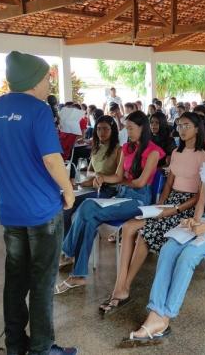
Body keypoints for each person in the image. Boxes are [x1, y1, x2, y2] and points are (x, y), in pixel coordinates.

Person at [120, 125, 205, 347]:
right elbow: (201, 202)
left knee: (189, 254)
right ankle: (155, 311)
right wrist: (195, 220)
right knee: (169, 247)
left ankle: (166, 316)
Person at [0, 51, 77, 355]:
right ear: (36, 79)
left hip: (10, 210)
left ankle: (15, 344)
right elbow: (52, 159)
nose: (49, 84)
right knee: (41, 281)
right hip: (41, 210)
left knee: (15, 280)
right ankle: (42, 348)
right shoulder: (38, 110)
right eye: (48, 78)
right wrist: (68, 190)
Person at [99, 112, 205, 314]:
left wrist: (175, 209)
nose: (182, 130)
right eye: (180, 125)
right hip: (169, 203)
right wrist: (160, 205)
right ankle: (120, 284)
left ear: (197, 128)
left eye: (186, 126)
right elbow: (168, 183)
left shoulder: (204, 157)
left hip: (187, 207)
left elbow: (200, 195)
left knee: (144, 234)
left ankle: (123, 288)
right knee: (128, 226)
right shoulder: (176, 152)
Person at [57, 111, 165, 294]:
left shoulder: (153, 151)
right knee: (89, 218)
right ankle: (78, 275)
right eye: (126, 127)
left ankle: (67, 252)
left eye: (131, 128)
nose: (127, 131)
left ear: (142, 128)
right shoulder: (126, 148)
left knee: (87, 205)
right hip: (122, 195)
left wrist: (115, 181)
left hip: (138, 200)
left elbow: (139, 182)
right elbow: (117, 176)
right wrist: (102, 177)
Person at [61, 115, 121, 237]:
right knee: (66, 203)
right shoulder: (96, 147)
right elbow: (89, 172)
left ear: (112, 130)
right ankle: (65, 243)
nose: (101, 132)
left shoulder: (118, 150)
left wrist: (101, 177)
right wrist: (82, 183)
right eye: (98, 129)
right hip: (94, 186)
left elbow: (119, 177)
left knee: (79, 208)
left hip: (110, 191)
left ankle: (70, 245)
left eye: (105, 129)